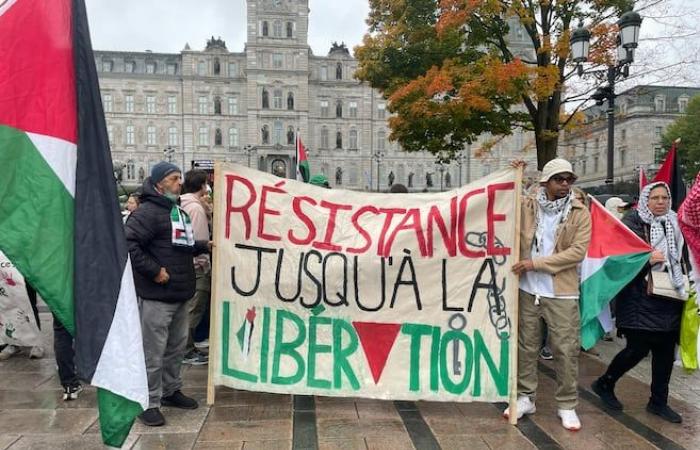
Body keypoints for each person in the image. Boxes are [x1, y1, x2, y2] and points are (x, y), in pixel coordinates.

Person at [506, 158, 592, 431]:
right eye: (559, 179)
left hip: (561, 292)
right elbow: (505, 197)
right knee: (526, 346)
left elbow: (577, 253)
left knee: (565, 349)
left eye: (569, 179)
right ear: (546, 182)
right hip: (528, 289)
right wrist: (514, 172)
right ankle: (525, 397)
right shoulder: (529, 206)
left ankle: (567, 404)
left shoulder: (580, 213)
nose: (565, 184)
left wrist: (535, 264)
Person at [592, 182, 687, 424]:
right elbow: (618, 258)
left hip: (670, 296)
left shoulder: (675, 223)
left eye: (665, 197)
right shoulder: (632, 223)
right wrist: (646, 258)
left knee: (666, 352)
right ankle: (605, 383)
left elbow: (684, 255)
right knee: (637, 349)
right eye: (654, 197)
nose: (660, 202)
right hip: (638, 297)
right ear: (645, 200)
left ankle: (658, 402)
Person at [125, 161, 210, 427]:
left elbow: (179, 246)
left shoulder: (176, 212)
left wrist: (203, 246)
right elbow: (128, 243)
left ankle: (171, 390)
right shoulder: (148, 213)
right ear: (160, 182)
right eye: (174, 179)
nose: (179, 183)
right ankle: (148, 401)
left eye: (180, 178)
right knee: (153, 351)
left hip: (180, 293)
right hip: (157, 295)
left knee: (174, 349)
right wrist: (154, 271)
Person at [180, 170, 211, 366]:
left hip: (183, 263)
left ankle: (186, 347)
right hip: (196, 264)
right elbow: (200, 239)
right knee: (194, 307)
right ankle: (187, 349)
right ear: (201, 185)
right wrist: (203, 262)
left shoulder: (181, 202)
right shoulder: (195, 208)